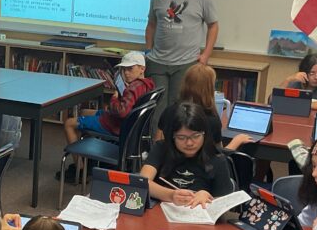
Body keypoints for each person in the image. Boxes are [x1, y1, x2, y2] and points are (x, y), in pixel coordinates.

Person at [144, 0, 219, 132]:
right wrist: (148, 50)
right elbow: (151, 25)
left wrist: (206, 55)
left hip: (185, 63)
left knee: (178, 109)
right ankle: (154, 151)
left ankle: (173, 150)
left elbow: (213, 25)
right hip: (158, 62)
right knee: (156, 109)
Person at [58, 51, 156, 182]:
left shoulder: (133, 88)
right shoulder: (147, 84)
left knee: (69, 123)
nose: (126, 73)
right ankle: (88, 157)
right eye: (124, 69)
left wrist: (115, 99)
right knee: (84, 112)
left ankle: (80, 170)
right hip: (120, 121)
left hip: (115, 124)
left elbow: (122, 111)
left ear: (142, 68)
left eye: (130, 68)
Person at [140, 101, 235, 207]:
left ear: (204, 134)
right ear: (172, 136)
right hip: (161, 214)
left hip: (198, 218)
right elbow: (143, 181)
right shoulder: (161, 148)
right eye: (181, 138)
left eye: (195, 136)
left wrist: (208, 197)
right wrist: (171, 195)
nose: (189, 143)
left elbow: (226, 203)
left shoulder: (217, 159)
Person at [155, 62, 250, 151]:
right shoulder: (211, 119)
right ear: (209, 89)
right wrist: (237, 141)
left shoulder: (168, 111)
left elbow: (158, 141)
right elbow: (219, 155)